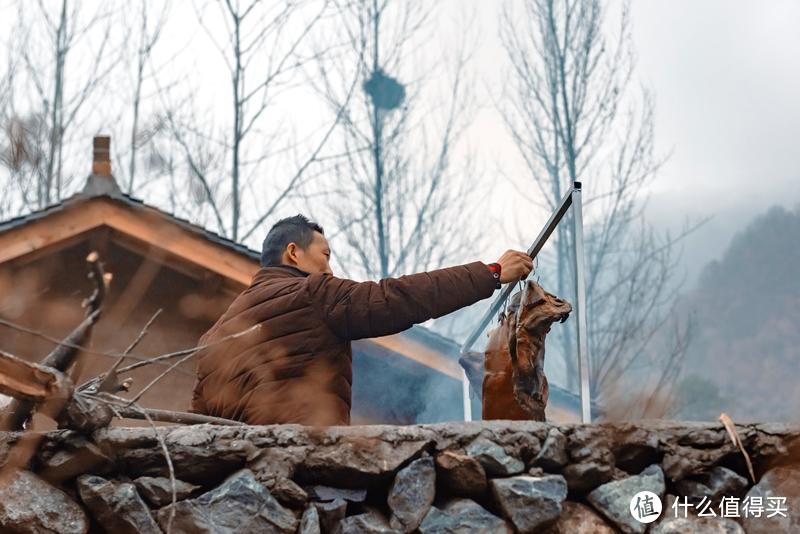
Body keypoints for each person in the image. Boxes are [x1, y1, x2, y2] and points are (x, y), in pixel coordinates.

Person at [191, 214, 533, 425]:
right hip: (303, 472)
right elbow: (397, 298)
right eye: (324, 256)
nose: (330, 268)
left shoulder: (214, 337)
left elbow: (200, 427)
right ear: (293, 252)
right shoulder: (314, 293)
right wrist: (490, 273)